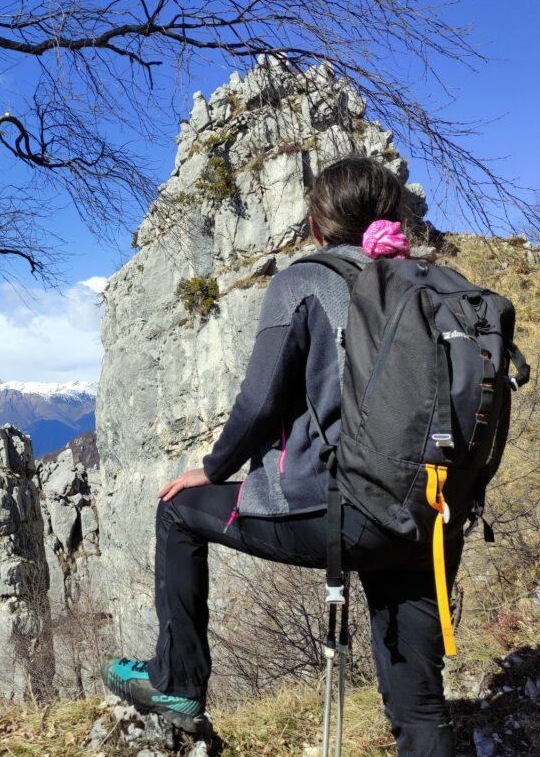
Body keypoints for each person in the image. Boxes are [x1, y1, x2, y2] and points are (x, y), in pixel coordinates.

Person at [102, 157, 462, 757]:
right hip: (424, 515)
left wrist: (213, 470)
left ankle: (177, 683)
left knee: (178, 512)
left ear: (317, 224)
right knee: (420, 705)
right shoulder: (428, 285)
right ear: (394, 219)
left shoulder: (306, 281)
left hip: (340, 512)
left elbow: (260, 399)